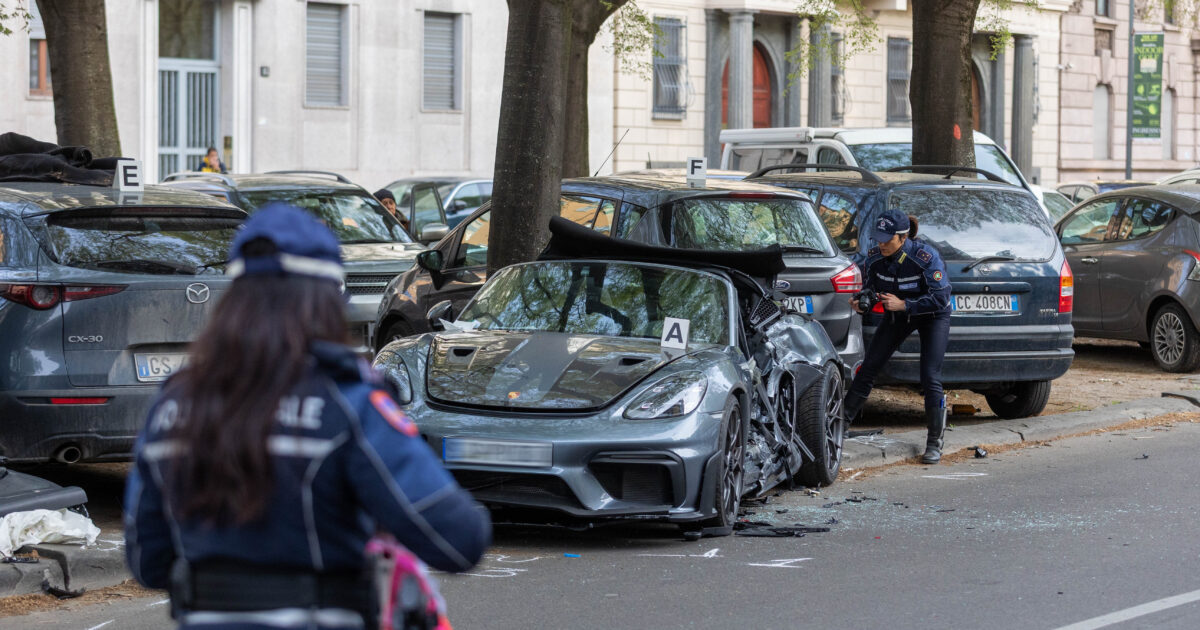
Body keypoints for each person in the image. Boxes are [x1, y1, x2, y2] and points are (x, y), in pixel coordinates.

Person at [124, 203, 490, 628]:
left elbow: (147, 562)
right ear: (326, 300)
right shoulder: (346, 401)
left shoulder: (175, 403)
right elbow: (460, 539)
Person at [843, 208, 952, 464]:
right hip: (898, 312)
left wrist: (905, 305)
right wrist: (861, 302)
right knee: (869, 367)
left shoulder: (926, 257)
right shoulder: (874, 258)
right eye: (878, 238)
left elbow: (941, 297)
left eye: (887, 239)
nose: (881, 244)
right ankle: (839, 426)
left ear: (903, 238)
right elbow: (869, 288)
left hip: (933, 315)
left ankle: (934, 442)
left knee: (930, 376)